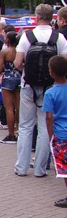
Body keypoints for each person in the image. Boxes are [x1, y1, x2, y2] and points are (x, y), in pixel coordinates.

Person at [13, 4, 67, 177]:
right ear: (52, 17)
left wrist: (27, 70)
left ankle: (21, 167)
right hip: (50, 87)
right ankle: (40, 169)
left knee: (25, 126)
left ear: (36, 17)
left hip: (28, 85)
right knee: (44, 127)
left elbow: (17, 63)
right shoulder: (58, 38)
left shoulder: (27, 37)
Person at [43, 55, 67, 208]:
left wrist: (50, 135)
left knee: (64, 167)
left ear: (51, 72)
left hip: (61, 134)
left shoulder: (50, 93)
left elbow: (49, 117)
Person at [0, 31, 20, 144]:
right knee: (18, 107)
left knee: (9, 108)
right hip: (19, 77)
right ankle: (18, 130)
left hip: (7, 78)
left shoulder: (4, 52)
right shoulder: (19, 50)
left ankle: (11, 134)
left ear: (8, 40)